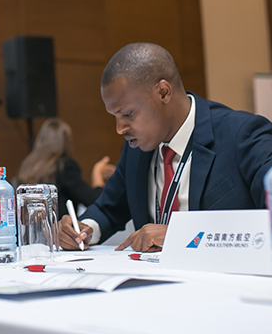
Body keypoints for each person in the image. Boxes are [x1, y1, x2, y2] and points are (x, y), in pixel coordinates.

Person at [59, 42, 272, 253]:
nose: (119, 128)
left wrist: (179, 235)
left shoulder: (243, 135)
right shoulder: (135, 150)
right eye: (114, 116)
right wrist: (83, 230)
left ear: (163, 92)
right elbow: (108, 209)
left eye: (128, 114)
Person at [17, 117, 116, 219]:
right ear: (67, 141)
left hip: (32, 226)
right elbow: (94, 202)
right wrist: (97, 173)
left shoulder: (27, 166)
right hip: (60, 226)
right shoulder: (65, 167)